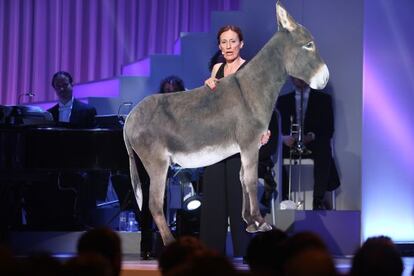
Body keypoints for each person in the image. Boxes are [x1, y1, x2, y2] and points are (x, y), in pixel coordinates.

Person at [201, 25, 272, 257]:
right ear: (219, 46)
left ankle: (244, 252)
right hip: (216, 140)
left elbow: (259, 103)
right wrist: (209, 88)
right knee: (213, 198)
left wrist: (264, 128)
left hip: (240, 139)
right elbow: (212, 108)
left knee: (238, 196)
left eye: (232, 41)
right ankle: (212, 253)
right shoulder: (217, 68)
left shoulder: (249, 69)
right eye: (224, 42)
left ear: (241, 44)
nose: (228, 46)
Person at [276, 76, 340, 210]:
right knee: (274, 152)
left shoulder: (323, 99)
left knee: (324, 148)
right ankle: (282, 199)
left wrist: (310, 136)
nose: (300, 80)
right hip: (290, 143)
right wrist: (285, 138)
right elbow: (276, 129)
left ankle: (318, 200)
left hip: (312, 143)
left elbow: (328, 130)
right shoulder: (282, 100)